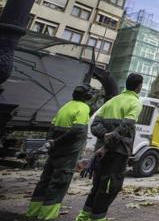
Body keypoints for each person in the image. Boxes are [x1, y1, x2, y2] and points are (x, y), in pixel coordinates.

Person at [75, 74, 143, 221]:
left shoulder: (111, 101)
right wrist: (109, 143)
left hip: (101, 152)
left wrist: (105, 135)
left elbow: (94, 125)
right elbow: (126, 126)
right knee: (110, 186)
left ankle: (84, 216)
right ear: (139, 86)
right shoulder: (135, 103)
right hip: (118, 152)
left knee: (98, 184)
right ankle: (98, 218)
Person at [26, 86, 92, 220]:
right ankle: (48, 215)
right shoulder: (83, 108)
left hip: (55, 152)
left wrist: (51, 143)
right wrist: (56, 142)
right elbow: (77, 130)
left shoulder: (65, 107)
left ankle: (33, 212)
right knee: (59, 182)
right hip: (68, 152)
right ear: (87, 97)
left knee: (45, 180)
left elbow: (52, 127)